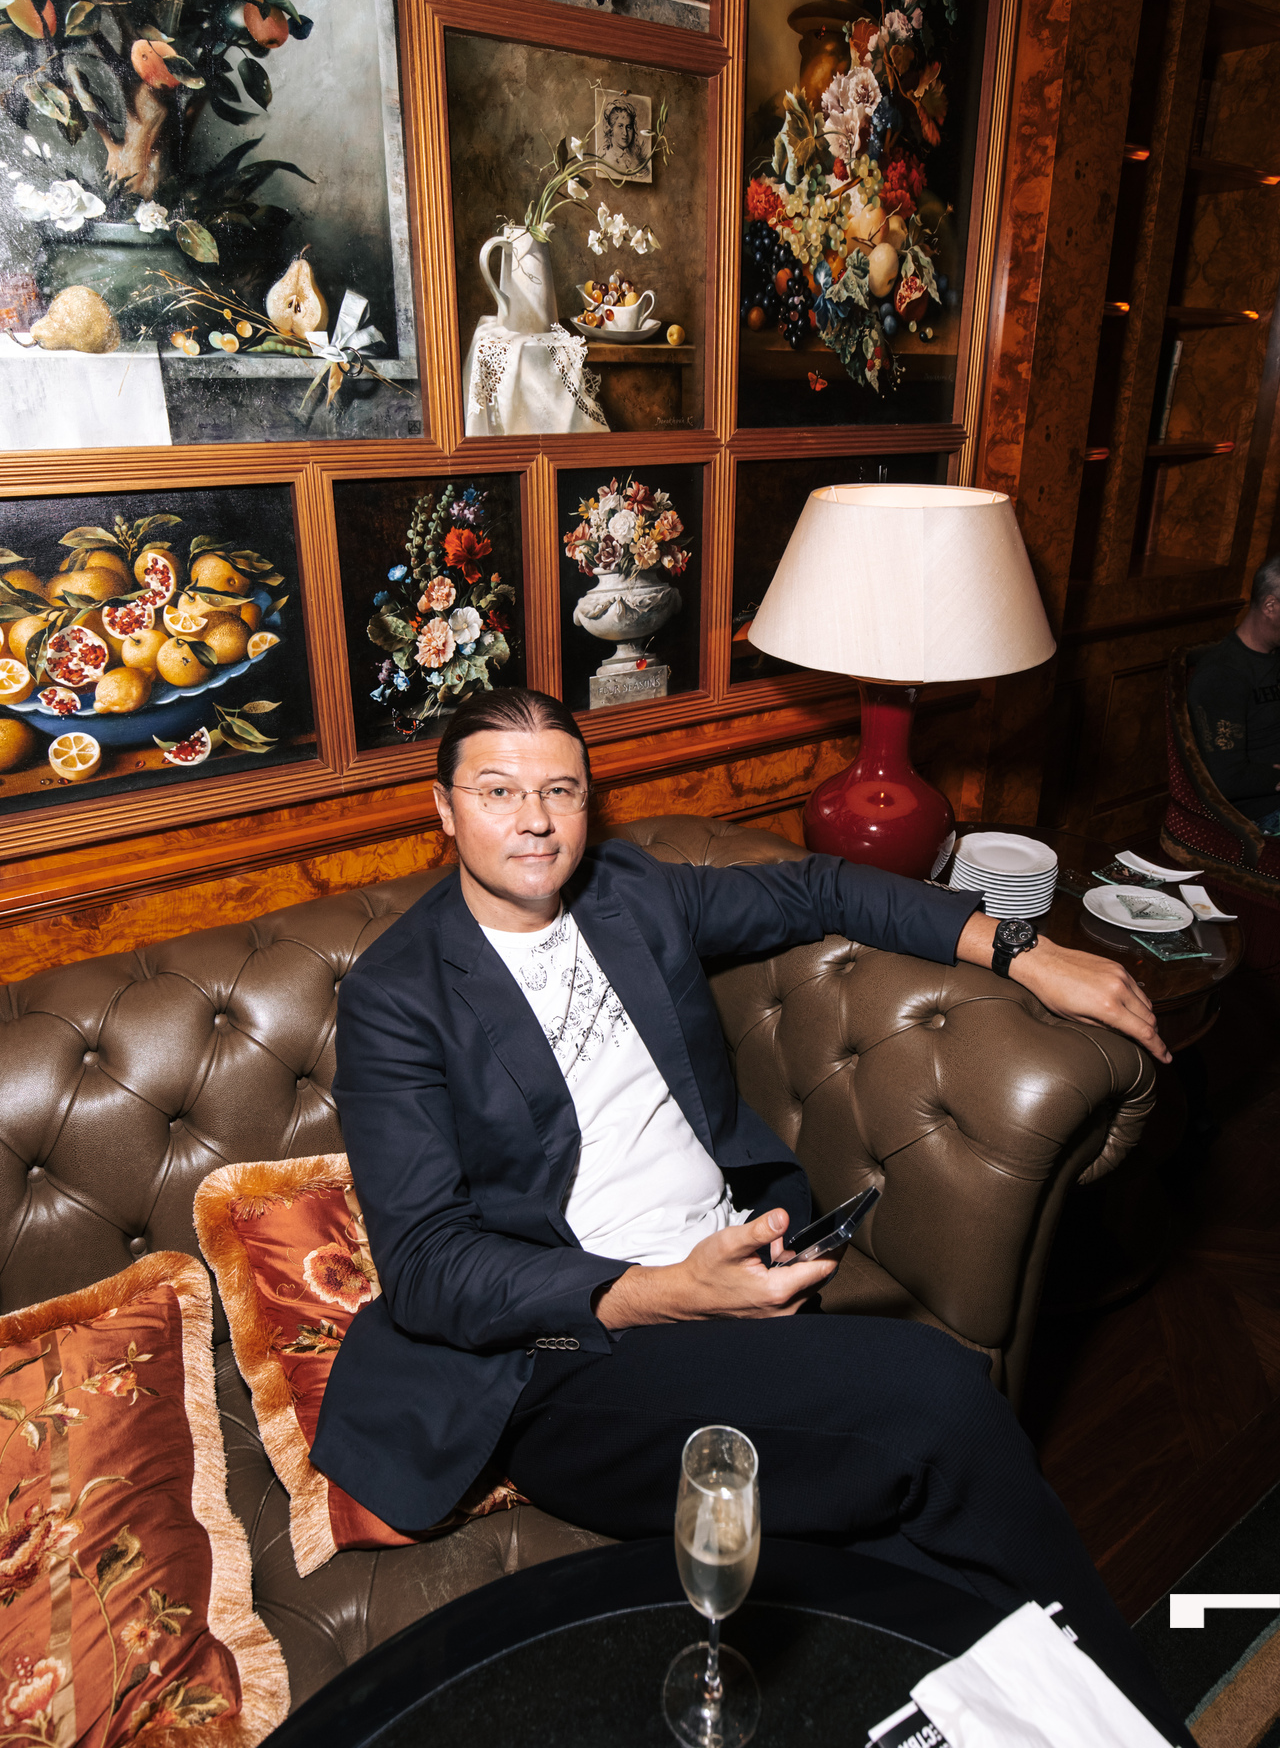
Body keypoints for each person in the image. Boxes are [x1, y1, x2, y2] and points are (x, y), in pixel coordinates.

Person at [314, 687, 1189, 1745]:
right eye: (497, 792)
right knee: (939, 1400)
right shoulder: (398, 994)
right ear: (445, 810)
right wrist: (664, 1293)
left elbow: (819, 885)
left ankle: (1054, 1722)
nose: (534, 820)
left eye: (560, 791)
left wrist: (1021, 949)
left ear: (588, 802)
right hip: (570, 1352)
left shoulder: (630, 893)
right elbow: (426, 1263)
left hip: (744, 1274)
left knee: (916, 1566)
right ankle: (1141, 1727)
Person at [1187, 554, 1280, 834]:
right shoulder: (1222, 674)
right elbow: (1228, 779)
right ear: (1271, 606)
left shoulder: (1274, 654)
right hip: (1262, 813)